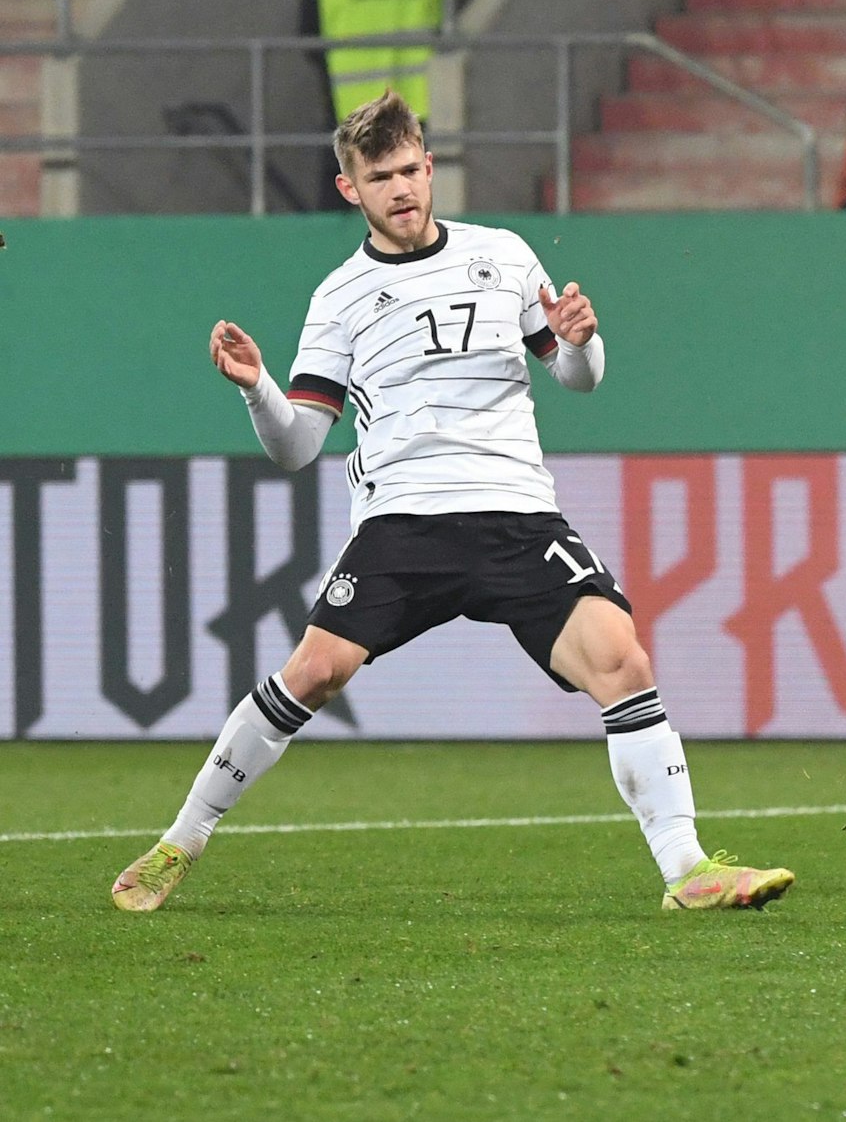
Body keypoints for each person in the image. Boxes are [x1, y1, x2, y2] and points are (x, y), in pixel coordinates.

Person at [110, 92, 794, 915]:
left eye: (409, 170)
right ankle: (180, 841)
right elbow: (297, 446)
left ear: (430, 167)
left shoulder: (503, 256)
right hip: (405, 521)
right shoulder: (339, 298)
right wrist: (258, 387)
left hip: (517, 515)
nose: (400, 188)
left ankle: (686, 869)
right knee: (315, 671)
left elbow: (577, 377)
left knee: (623, 661)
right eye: (379, 178)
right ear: (349, 189)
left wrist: (582, 342)